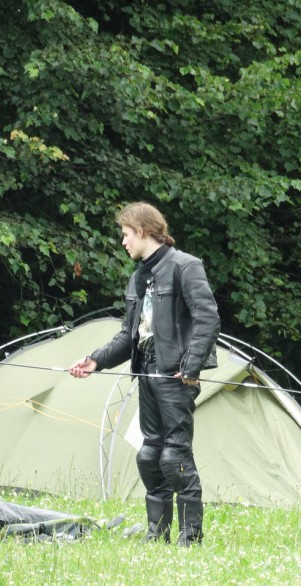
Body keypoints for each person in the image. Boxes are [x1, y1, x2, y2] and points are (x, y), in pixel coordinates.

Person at [69, 202, 220, 546]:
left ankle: (190, 538)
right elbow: (129, 335)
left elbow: (208, 319)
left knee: (174, 455)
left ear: (141, 230)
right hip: (147, 373)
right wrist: (95, 361)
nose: (123, 242)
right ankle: (157, 535)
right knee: (149, 454)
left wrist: (191, 366)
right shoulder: (140, 276)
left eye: (125, 235)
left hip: (176, 377)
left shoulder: (185, 266)